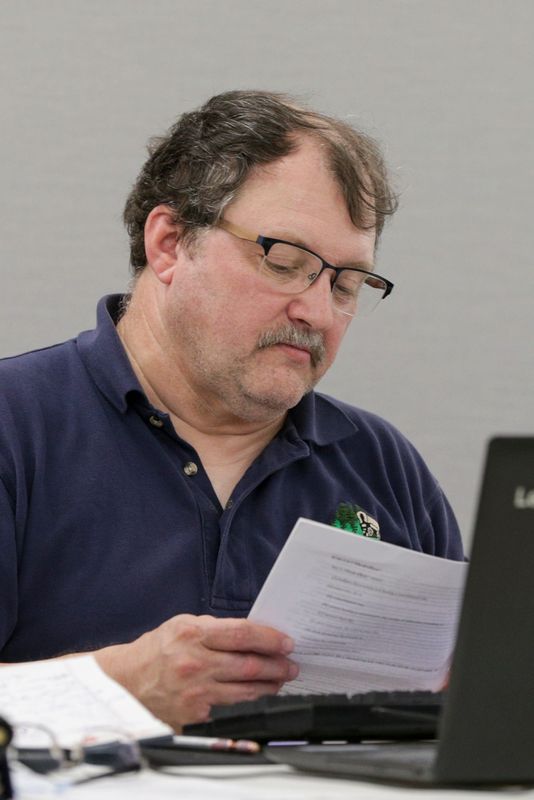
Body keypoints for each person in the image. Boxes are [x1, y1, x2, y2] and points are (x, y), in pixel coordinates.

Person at [0, 90, 464, 730]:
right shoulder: (15, 427)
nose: (319, 313)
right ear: (168, 244)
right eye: (285, 261)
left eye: (347, 283)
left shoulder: (381, 465)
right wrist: (113, 688)